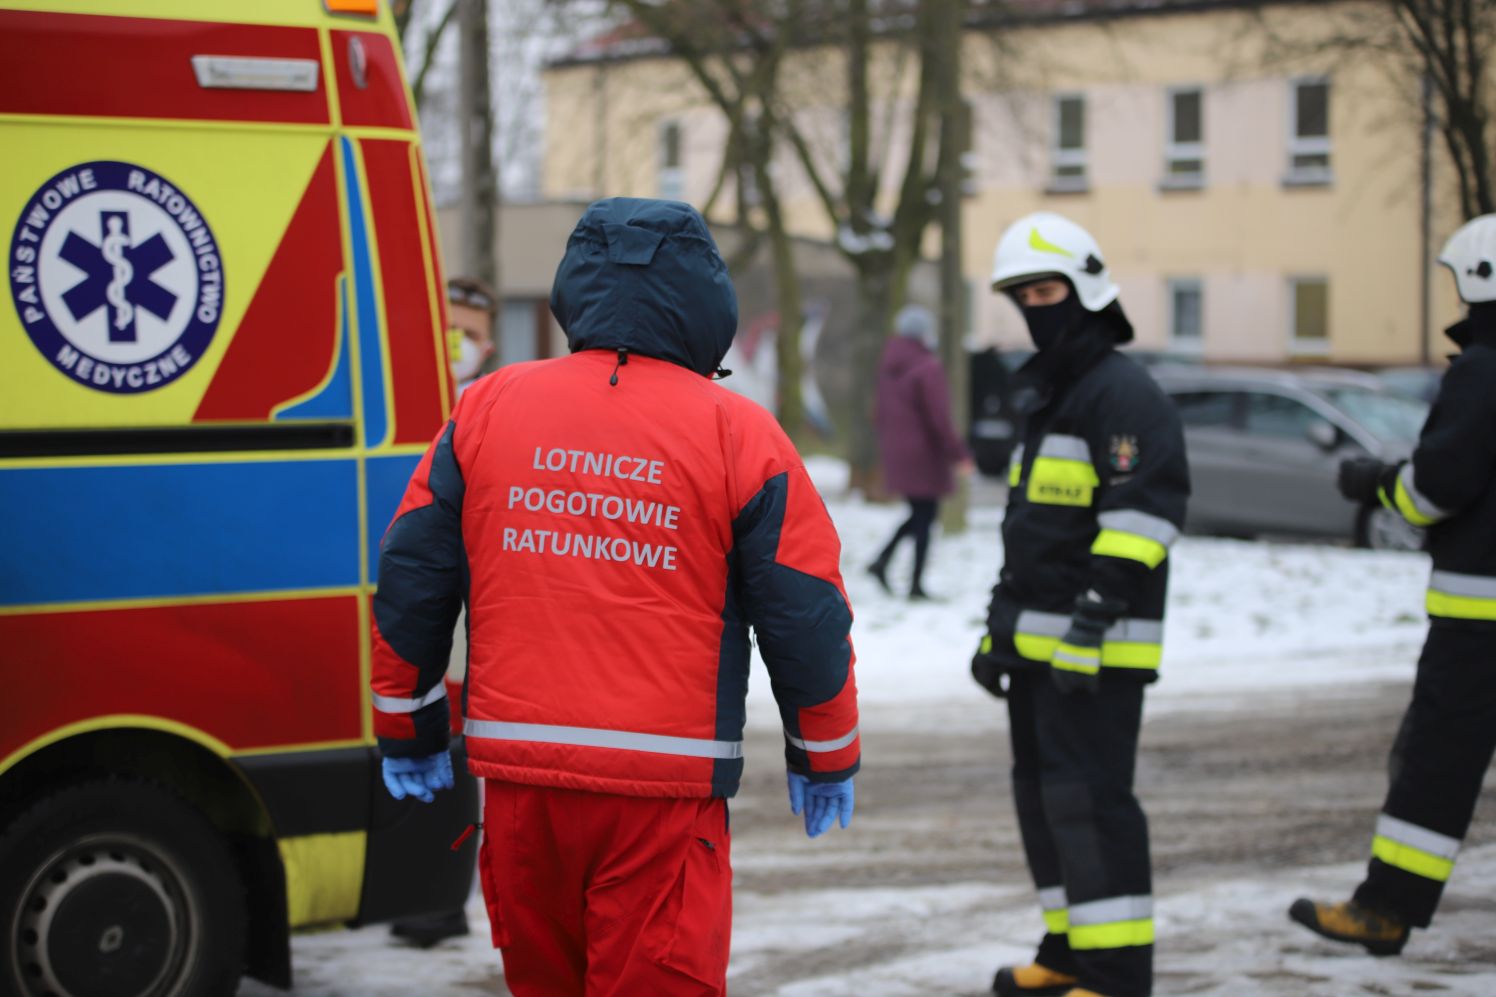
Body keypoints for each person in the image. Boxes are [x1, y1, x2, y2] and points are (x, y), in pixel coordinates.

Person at [369, 197, 860, 996]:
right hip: (661, 795)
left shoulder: (487, 408)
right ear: (708, 301)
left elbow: (412, 574)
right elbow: (804, 607)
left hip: (523, 787)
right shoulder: (740, 434)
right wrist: (825, 748)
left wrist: (408, 723)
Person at [969, 212, 1189, 997]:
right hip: (1039, 650)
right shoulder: (1055, 396)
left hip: (1097, 651)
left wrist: (1096, 611)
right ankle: (1067, 950)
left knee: (1092, 807)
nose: (1036, 305)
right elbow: (1034, 531)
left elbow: (1148, 510)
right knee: (1047, 804)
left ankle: (1117, 972)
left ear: (1088, 288)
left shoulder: (1121, 394)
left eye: (1048, 288)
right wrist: (1000, 627)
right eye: (1023, 293)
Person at [1290, 214, 1496, 956]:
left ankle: (1386, 907)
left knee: (1436, 763)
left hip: (1480, 621)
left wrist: (1378, 483)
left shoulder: (1482, 370)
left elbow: (1436, 487)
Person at [867, 303, 973, 600]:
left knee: (919, 514)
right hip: (925, 454)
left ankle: (883, 561)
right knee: (925, 517)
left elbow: (877, 413)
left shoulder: (888, 367)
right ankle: (914, 583)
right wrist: (959, 454)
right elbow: (939, 417)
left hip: (898, 452)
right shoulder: (927, 367)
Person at [447, 275, 497, 394]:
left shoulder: (497, 402)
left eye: (470, 335)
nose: (458, 341)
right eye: (450, 329)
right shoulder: (399, 396)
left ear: (488, 349)